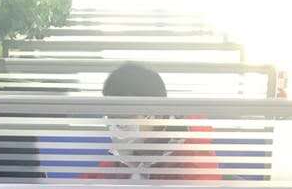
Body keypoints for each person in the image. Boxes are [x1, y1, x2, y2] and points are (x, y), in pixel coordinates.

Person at [88, 62, 220, 181]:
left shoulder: (192, 160)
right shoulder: (124, 154)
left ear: (157, 114)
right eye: (112, 117)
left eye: (127, 115)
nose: (118, 125)